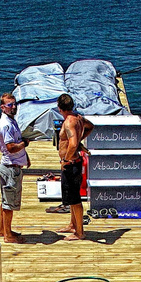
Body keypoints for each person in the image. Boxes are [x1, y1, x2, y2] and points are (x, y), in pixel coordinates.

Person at [56, 92, 93, 240]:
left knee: (75, 199)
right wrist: (80, 142)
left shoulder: (69, 122)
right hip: (73, 163)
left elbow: (71, 144)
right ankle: (73, 225)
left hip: (71, 164)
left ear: (60, 108)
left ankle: (80, 232)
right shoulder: (78, 118)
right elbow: (90, 126)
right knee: (71, 198)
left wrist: (65, 159)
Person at [0, 92, 28, 243]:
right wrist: (24, 144)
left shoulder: (9, 120)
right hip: (10, 168)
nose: (14, 107)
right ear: (3, 107)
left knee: (5, 201)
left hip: (7, 165)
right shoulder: (7, 124)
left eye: (15, 104)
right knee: (9, 203)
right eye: (10, 105)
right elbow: (11, 147)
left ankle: (4, 230)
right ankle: (8, 236)